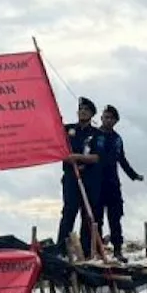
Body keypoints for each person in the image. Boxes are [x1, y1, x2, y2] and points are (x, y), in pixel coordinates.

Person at [55, 97, 107, 259]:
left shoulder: (97, 134)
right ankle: (61, 250)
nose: (83, 112)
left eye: (86, 110)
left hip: (90, 179)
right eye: (81, 109)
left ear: (92, 114)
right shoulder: (67, 129)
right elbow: (56, 147)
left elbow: (97, 157)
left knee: (88, 214)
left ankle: (86, 251)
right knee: (69, 211)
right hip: (71, 177)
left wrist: (76, 157)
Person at [94, 104, 143, 262]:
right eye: (105, 117)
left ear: (115, 121)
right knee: (96, 219)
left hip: (113, 184)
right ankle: (98, 251)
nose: (107, 120)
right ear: (101, 118)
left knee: (115, 218)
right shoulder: (94, 135)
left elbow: (122, 160)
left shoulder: (117, 139)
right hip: (96, 183)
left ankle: (117, 250)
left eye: (110, 118)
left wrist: (134, 175)